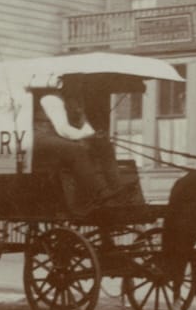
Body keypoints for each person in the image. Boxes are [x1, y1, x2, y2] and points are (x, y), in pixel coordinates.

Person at [34, 76, 131, 211]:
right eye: (76, 83)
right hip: (43, 137)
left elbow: (84, 125)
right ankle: (99, 192)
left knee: (104, 146)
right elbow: (63, 129)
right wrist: (86, 136)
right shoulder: (51, 99)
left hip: (60, 137)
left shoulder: (74, 101)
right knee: (76, 150)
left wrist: (95, 136)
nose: (79, 86)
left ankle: (116, 189)